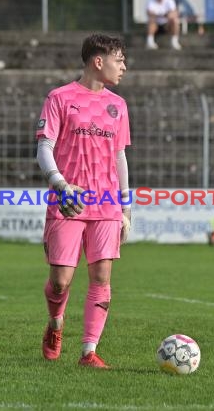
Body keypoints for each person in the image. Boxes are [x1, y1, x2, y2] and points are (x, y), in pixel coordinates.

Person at [35, 34, 131, 369]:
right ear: (98, 61)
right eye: (119, 59)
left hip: (106, 202)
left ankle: (89, 352)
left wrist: (126, 206)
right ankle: (55, 323)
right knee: (61, 281)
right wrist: (59, 185)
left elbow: (119, 156)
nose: (123, 66)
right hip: (68, 200)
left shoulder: (118, 105)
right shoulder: (60, 97)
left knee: (102, 276)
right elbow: (44, 147)